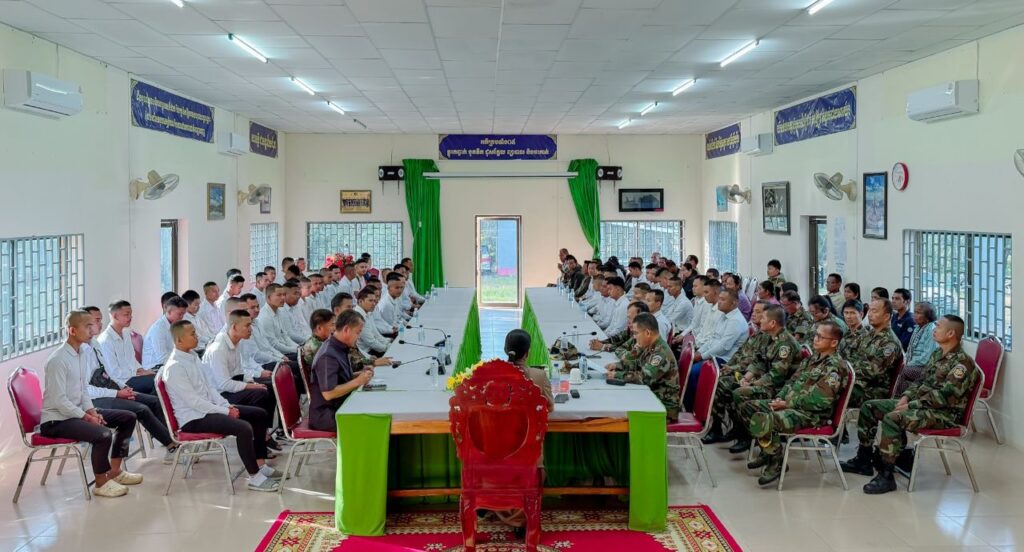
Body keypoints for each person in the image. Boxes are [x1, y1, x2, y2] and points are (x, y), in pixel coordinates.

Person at [841, 315, 980, 495]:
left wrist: (912, 405)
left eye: (938, 327)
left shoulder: (962, 364)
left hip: (944, 414)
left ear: (951, 333)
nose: (934, 329)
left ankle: (886, 475)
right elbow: (920, 380)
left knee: (893, 418)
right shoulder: (938, 354)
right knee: (870, 407)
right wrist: (906, 397)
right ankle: (864, 459)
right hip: (922, 406)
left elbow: (944, 397)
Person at [160, 320, 280, 492]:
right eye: (192, 334)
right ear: (179, 340)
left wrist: (227, 406)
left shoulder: (192, 356)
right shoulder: (174, 367)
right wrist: (225, 411)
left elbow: (210, 388)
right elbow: (194, 402)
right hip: (193, 418)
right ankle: (255, 477)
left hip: (208, 409)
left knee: (259, 414)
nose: (197, 336)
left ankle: (261, 465)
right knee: (243, 428)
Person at [40, 310, 142, 498]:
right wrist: (86, 417)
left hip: (76, 413)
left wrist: (92, 411)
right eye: (88, 326)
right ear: (72, 330)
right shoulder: (58, 360)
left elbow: (83, 391)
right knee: (102, 434)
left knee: (128, 418)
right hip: (57, 420)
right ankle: (101, 483)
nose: (93, 330)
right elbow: (59, 401)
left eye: (92, 326)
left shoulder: (81, 354)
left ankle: (115, 471)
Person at [739, 320, 848, 486]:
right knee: (747, 407)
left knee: (765, 419)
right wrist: (779, 398)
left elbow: (821, 401)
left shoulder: (836, 367)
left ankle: (776, 462)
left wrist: (787, 403)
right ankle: (769, 452)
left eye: (821, 337)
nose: (815, 339)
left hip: (812, 415)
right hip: (791, 405)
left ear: (834, 343)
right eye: (815, 335)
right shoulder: (812, 359)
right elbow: (791, 381)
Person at [82, 307, 176, 464]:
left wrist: (123, 388)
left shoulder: (95, 344)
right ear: (84, 324)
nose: (100, 324)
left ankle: (172, 436)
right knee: (141, 409)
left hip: (109, 390)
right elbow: (86, 390)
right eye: (96, 320)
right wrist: (117, 393)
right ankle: (172, 446)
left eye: (100, 320)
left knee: (153, 400)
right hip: (93, 400)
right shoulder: (82, 351)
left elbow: (108, 374)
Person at [714, 303, 802, 453]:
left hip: (781, 389)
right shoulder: (770, 338)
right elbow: (759, 361)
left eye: (763, 318)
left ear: (772, 323)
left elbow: (776, 376)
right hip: (767, 382)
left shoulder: (785, 344)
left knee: (740, 393)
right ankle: (737, 429)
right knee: (730, 385)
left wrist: (753, 384)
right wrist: (747, 378)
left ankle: (747, 435)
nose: (760, 320)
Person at [202, 310, 278, 441]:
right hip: (219, 394)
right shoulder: (218, 349)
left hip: (231, 387)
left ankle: (264, 432)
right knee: (260, 393)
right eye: (247, 325)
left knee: (270, 386)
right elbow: (224, 384)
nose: (250, 329)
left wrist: (252, 381)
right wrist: (251, 386)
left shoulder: (236, 342)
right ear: (234, 327)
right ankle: (258, 436)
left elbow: (239, 372)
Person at [703, 301, 769, 444]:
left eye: (758, 312)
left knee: (725, 385)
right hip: (743, 371)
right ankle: (718, 427)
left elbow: (756, 363)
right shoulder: (757, 333)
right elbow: (740, 353)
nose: (753, 314)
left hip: (756, 377)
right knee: (718, 380)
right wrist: (730, 365)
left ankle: (742, 432)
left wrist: (734, 369)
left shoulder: (768, 337)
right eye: (754, 311)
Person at [308, 310, 375, 431]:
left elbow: (340, 377)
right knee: (374, 421)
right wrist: (358, 381)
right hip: (327, 415)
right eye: (358, 332)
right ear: (346, 330)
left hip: (340, 404)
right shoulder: (328, 355)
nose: (359, 337)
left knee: (375, 406)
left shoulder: (339, 347)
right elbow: (328, 393)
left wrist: (359, 375)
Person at [606, 313, 681, 419]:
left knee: (618, 412)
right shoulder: (652, 345)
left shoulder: (660, 353)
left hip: (663, 407)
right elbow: (638, 364)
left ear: (647, 333)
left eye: (636, 333)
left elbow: (644, 378)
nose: (634, 337)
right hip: (652, 397)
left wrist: (617, 375)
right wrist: (617, 366)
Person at [686, 288, 750, 412]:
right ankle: (688, 405)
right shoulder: (724, 315)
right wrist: (699, 352)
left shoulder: (735, 321)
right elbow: (713, 339)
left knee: (693, 372)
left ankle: (692, 409)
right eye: (719, 299)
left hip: (725, 360)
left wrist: (702, 356)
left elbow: (723, 347)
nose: (719, 302)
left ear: (733, 303)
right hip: (714, 355)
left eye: (723, 299)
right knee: (689, 366)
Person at [847, 299, 904, 409]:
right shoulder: (869, 334)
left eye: (874, 311)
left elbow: (872, 371)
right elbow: (851, 355)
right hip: (857, 382)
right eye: (869, 311)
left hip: (872, 389)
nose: (869, 314)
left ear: (886, 316)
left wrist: (845, 373)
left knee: (832, 389)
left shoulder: (889, 342)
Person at [97, 300, 157, 394]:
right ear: (115, 316)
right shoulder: (105, 340)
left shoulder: (126, 333)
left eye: (131, 314)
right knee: (156, 382)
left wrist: (142, 370)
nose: (130, 317)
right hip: (122, 382)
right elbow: (113, 372)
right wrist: (138, 373)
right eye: (126, 314)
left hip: (134, 376)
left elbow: (132, 360)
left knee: (161, 378)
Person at [898, 302, 939, 394]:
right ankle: (901, 395)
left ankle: (899, 396)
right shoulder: (918, 327)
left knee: (901, 371)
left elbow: (926, 358)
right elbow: (910, 349)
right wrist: (905, 361)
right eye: (915, 312)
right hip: (914, 364)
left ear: (928, 316)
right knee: (897, 368)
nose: (914, 315)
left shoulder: (932, 330)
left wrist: (908, 364)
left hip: (925, 368)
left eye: (918, 313)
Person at [142, 296, 188, 371]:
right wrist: (182, 364)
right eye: (180, 314)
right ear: (169, 312)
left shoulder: (174, 324)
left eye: (183, 314)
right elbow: (162, 358)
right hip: (154, 368)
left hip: (169, 364)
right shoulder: (158, 329)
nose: (182, 317)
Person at [256, 284, 301, 358]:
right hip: (275, 355)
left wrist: (298, 348)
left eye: (284, 295)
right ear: (269, 298)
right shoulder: (265, 317)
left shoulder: (279, 311)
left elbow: (285, 336)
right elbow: (273, 345)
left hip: (285, 350)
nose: (283, 298)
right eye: (279, 295)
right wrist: (296, 350)